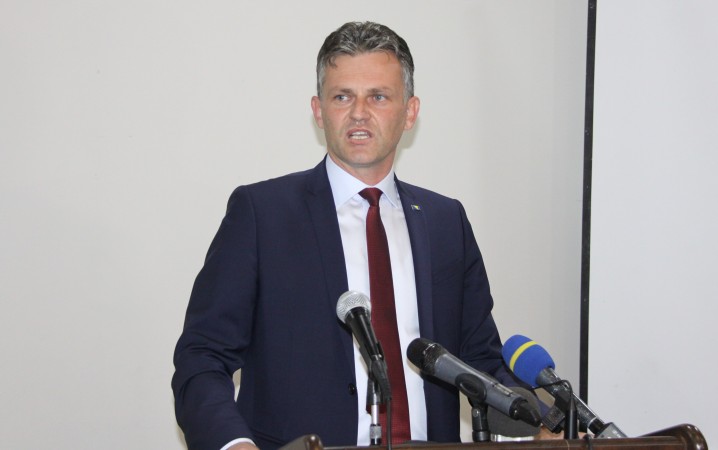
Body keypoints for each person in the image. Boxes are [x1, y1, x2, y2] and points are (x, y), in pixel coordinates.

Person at [172, 21, 516, 450]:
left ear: (410, 112)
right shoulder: (262, 215)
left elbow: (481, 362)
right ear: (318, 111)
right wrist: (234, 444)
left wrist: (539, 418)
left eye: (378, 96)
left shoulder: (446, 222)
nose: (359, 112)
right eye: (342, 97)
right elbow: (202, 358)